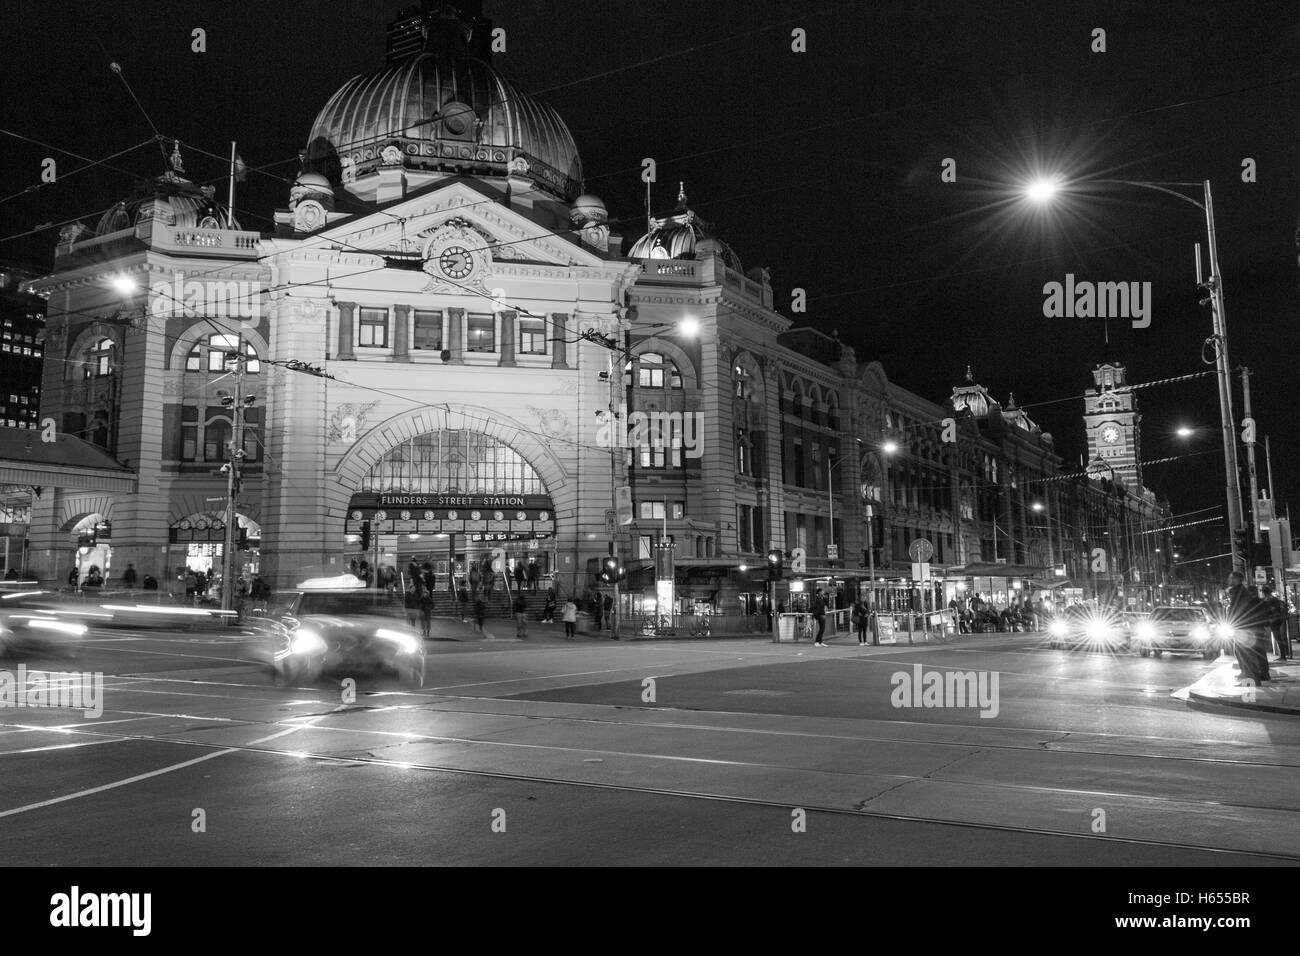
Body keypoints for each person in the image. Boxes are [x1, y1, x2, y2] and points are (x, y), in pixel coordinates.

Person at [1225, 571, 1270, 685]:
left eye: (1231, 578)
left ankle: (1252, 679)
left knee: (1246, 654)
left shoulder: (1239, 592)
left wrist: (1232, 622)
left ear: (1237, 579)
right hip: (1243, 626)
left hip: (1243, 626)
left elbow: (1238, 610)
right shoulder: (1239, 592)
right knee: (1243, 653)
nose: (1229, 580)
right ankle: (1249, 676)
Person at [1261, 585, 1289, 662]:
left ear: (1264, 592)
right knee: (1277, 637)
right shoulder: (1272, 599)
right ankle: (1282, 656)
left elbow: (1271, 610)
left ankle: (1283, 656)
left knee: (1278, 638)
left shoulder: (1270, 600)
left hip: (1275, 621)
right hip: (1275, 620)